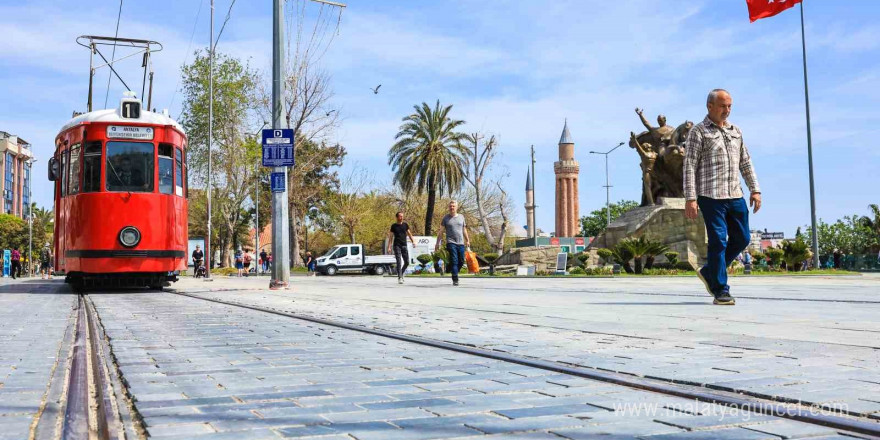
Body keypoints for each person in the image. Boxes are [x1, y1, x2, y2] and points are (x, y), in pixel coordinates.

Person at [685, 89, 761, 306]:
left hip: (735, 194)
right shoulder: (698, 132)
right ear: (710, 106)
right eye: (722, 106)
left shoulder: (735, 131)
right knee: (718, 241)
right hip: (710, 195)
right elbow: (689, 166)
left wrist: (755, 189)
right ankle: (721, 290)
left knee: (743, 238)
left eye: (729, 106)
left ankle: (710, 271)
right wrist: (690, 198)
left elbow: (745, 162)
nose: (726, 110)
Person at [435, 201, 470, 286]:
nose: (452, 208)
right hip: (450, 242)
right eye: (450, 206)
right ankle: (455, 278)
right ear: (448, 207)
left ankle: (452, 271)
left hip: (461, 242)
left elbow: (464, 229)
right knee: (454, 260)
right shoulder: (445, 218)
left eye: (453, 206)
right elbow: (441, 231)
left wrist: (467, 240)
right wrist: (437, 243)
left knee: (461, 260)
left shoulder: (461, 217)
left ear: (456, 207)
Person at [387, 211, 417, 284]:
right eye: (400, 216)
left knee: (407, 262)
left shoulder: (405, 225)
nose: (402, 217)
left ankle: (401, 273)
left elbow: (409, 234)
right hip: (397, 245)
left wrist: (413, 241)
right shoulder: (393, 226)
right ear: (397, 217)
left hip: (404, 245)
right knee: (399, 261)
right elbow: (390, 237)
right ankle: (400, 277)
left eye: (402, 216)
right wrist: (389, 247)